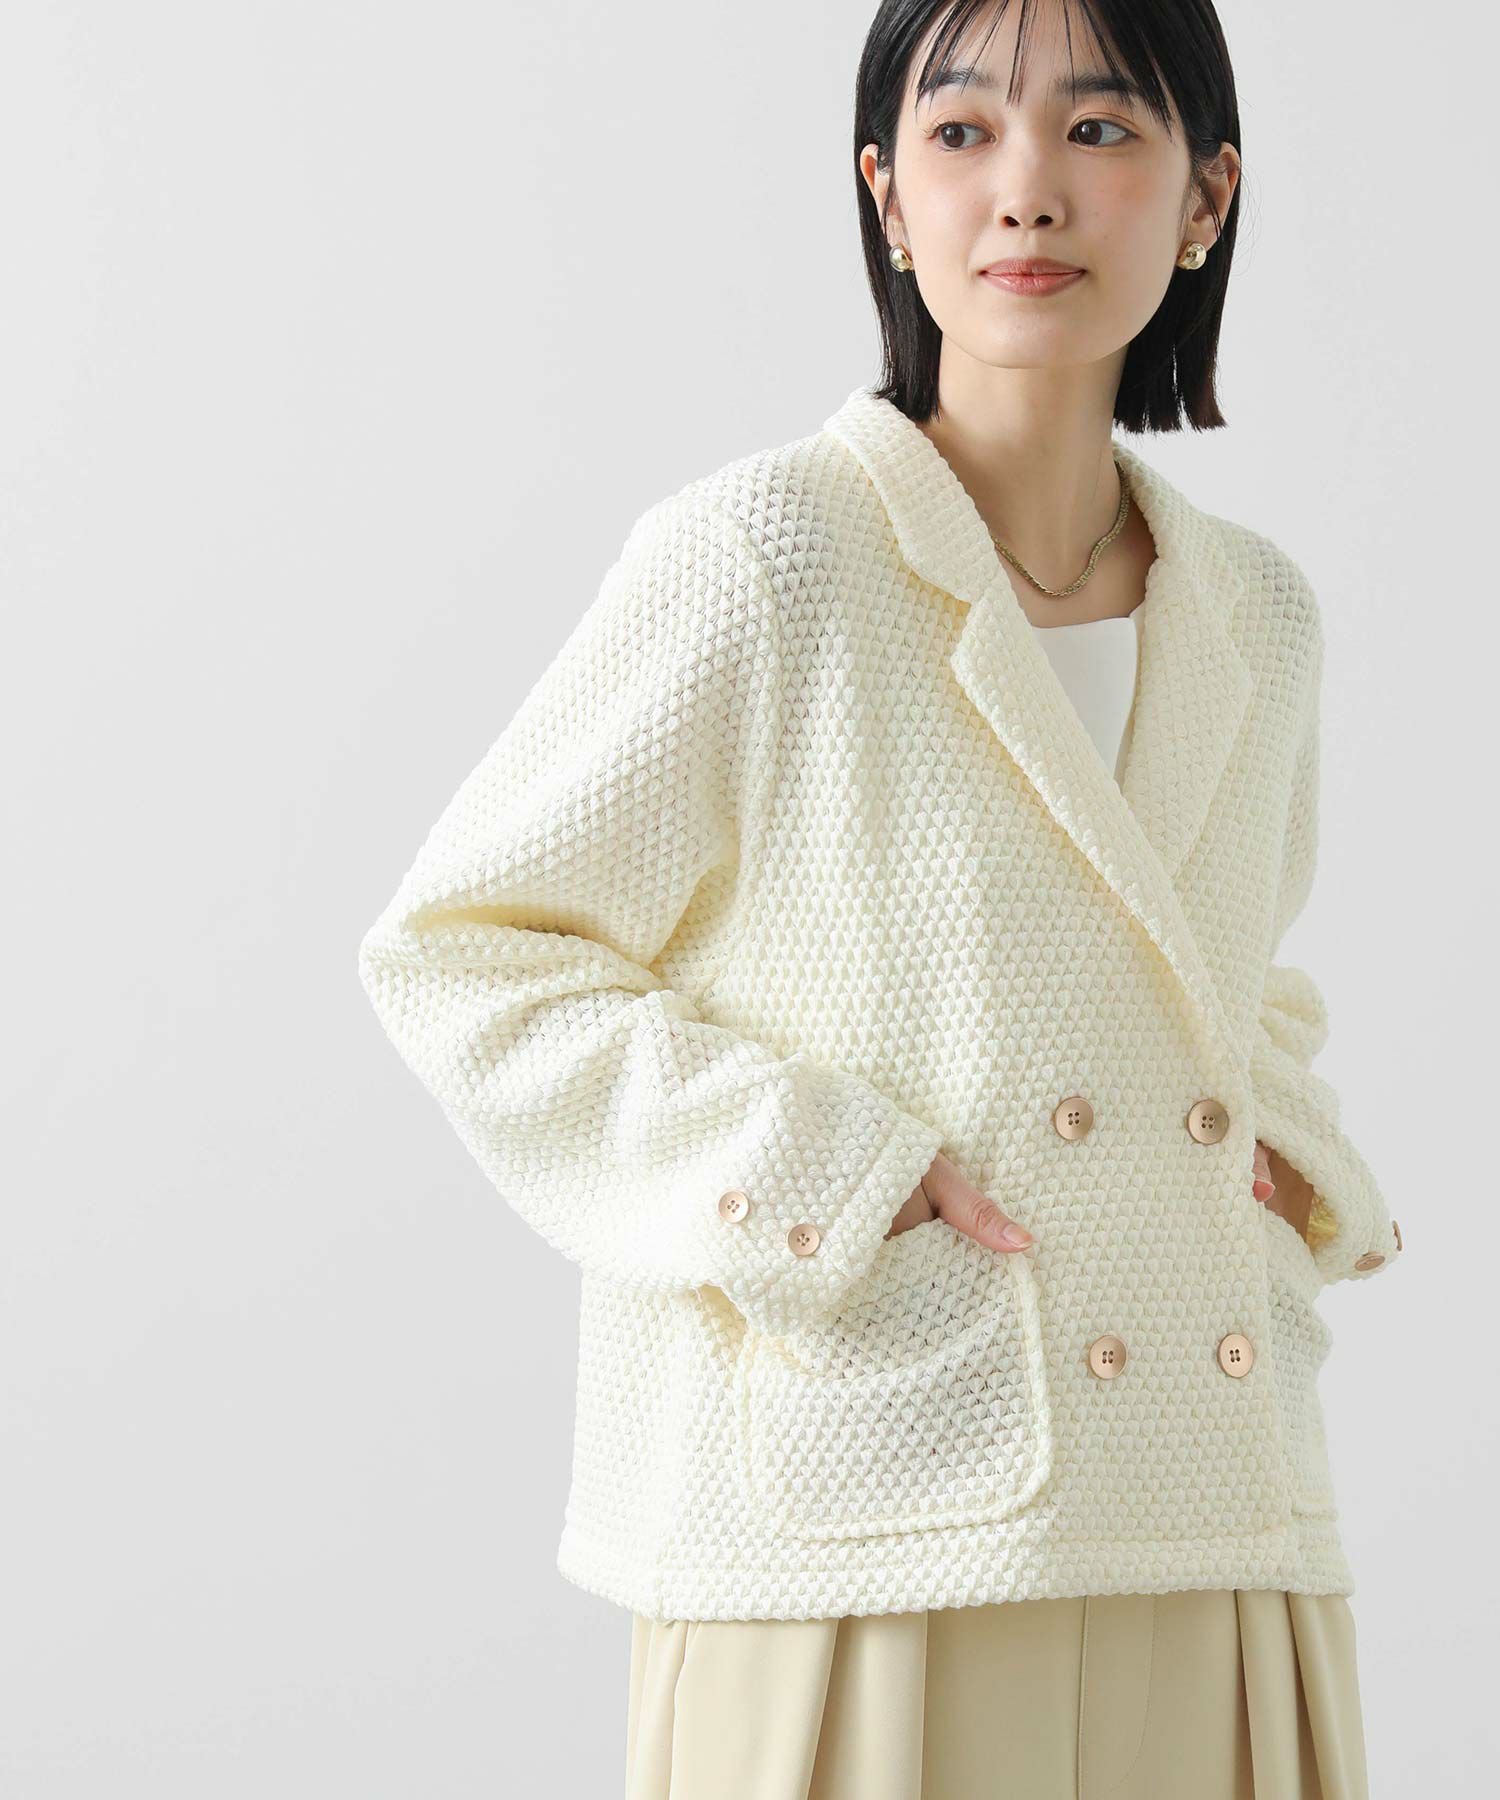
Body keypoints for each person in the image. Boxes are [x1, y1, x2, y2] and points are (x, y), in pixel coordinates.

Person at [357, 1, 1402, 1793]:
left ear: (1207, 197)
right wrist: (828, 1176)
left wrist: (1280, 1153)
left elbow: (1228, 978)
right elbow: (468, 955)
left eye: (1100, 130)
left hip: (1212, 1499)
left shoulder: (1260, 609)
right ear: (886, 197)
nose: (1028, 191)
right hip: (860, 1516)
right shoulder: (768, 557)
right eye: (961, 133)